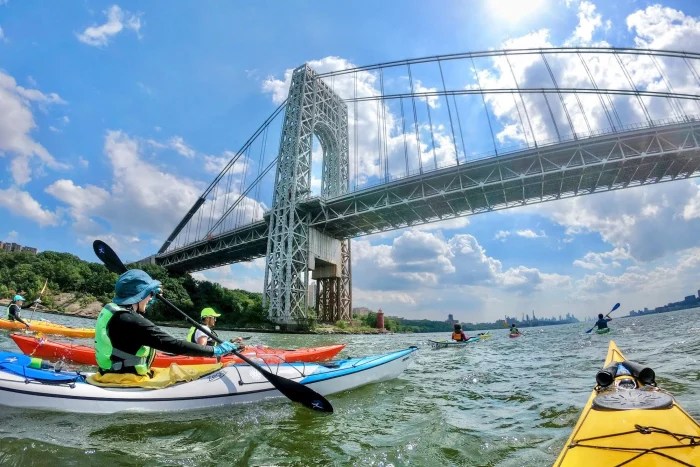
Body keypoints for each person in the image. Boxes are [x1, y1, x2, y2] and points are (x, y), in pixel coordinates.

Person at [94, 269, 240, 376]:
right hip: (126, 379)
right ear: (139, 295)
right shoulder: (132, 321)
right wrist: (215, 351)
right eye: (149, 294)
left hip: (111, 373)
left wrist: (148, 296)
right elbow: (173, 344)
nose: (151, 298)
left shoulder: (117, 313)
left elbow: (133, 319)